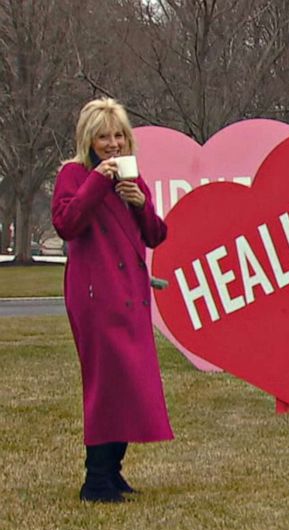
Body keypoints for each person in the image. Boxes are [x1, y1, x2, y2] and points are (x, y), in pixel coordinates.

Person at [52, 98, 172, 502]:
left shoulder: (132, 179)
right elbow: (67, 223)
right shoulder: (74, 174)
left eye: (119, 135)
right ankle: (96, 478)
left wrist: (140, 205)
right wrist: (98, 181)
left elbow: (156, 235)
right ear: (89, 139)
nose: (113, 143)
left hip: (132, 296)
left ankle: (113, 470)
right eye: (104, 136)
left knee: (131, 385)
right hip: (96, 296)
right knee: (106, 385)